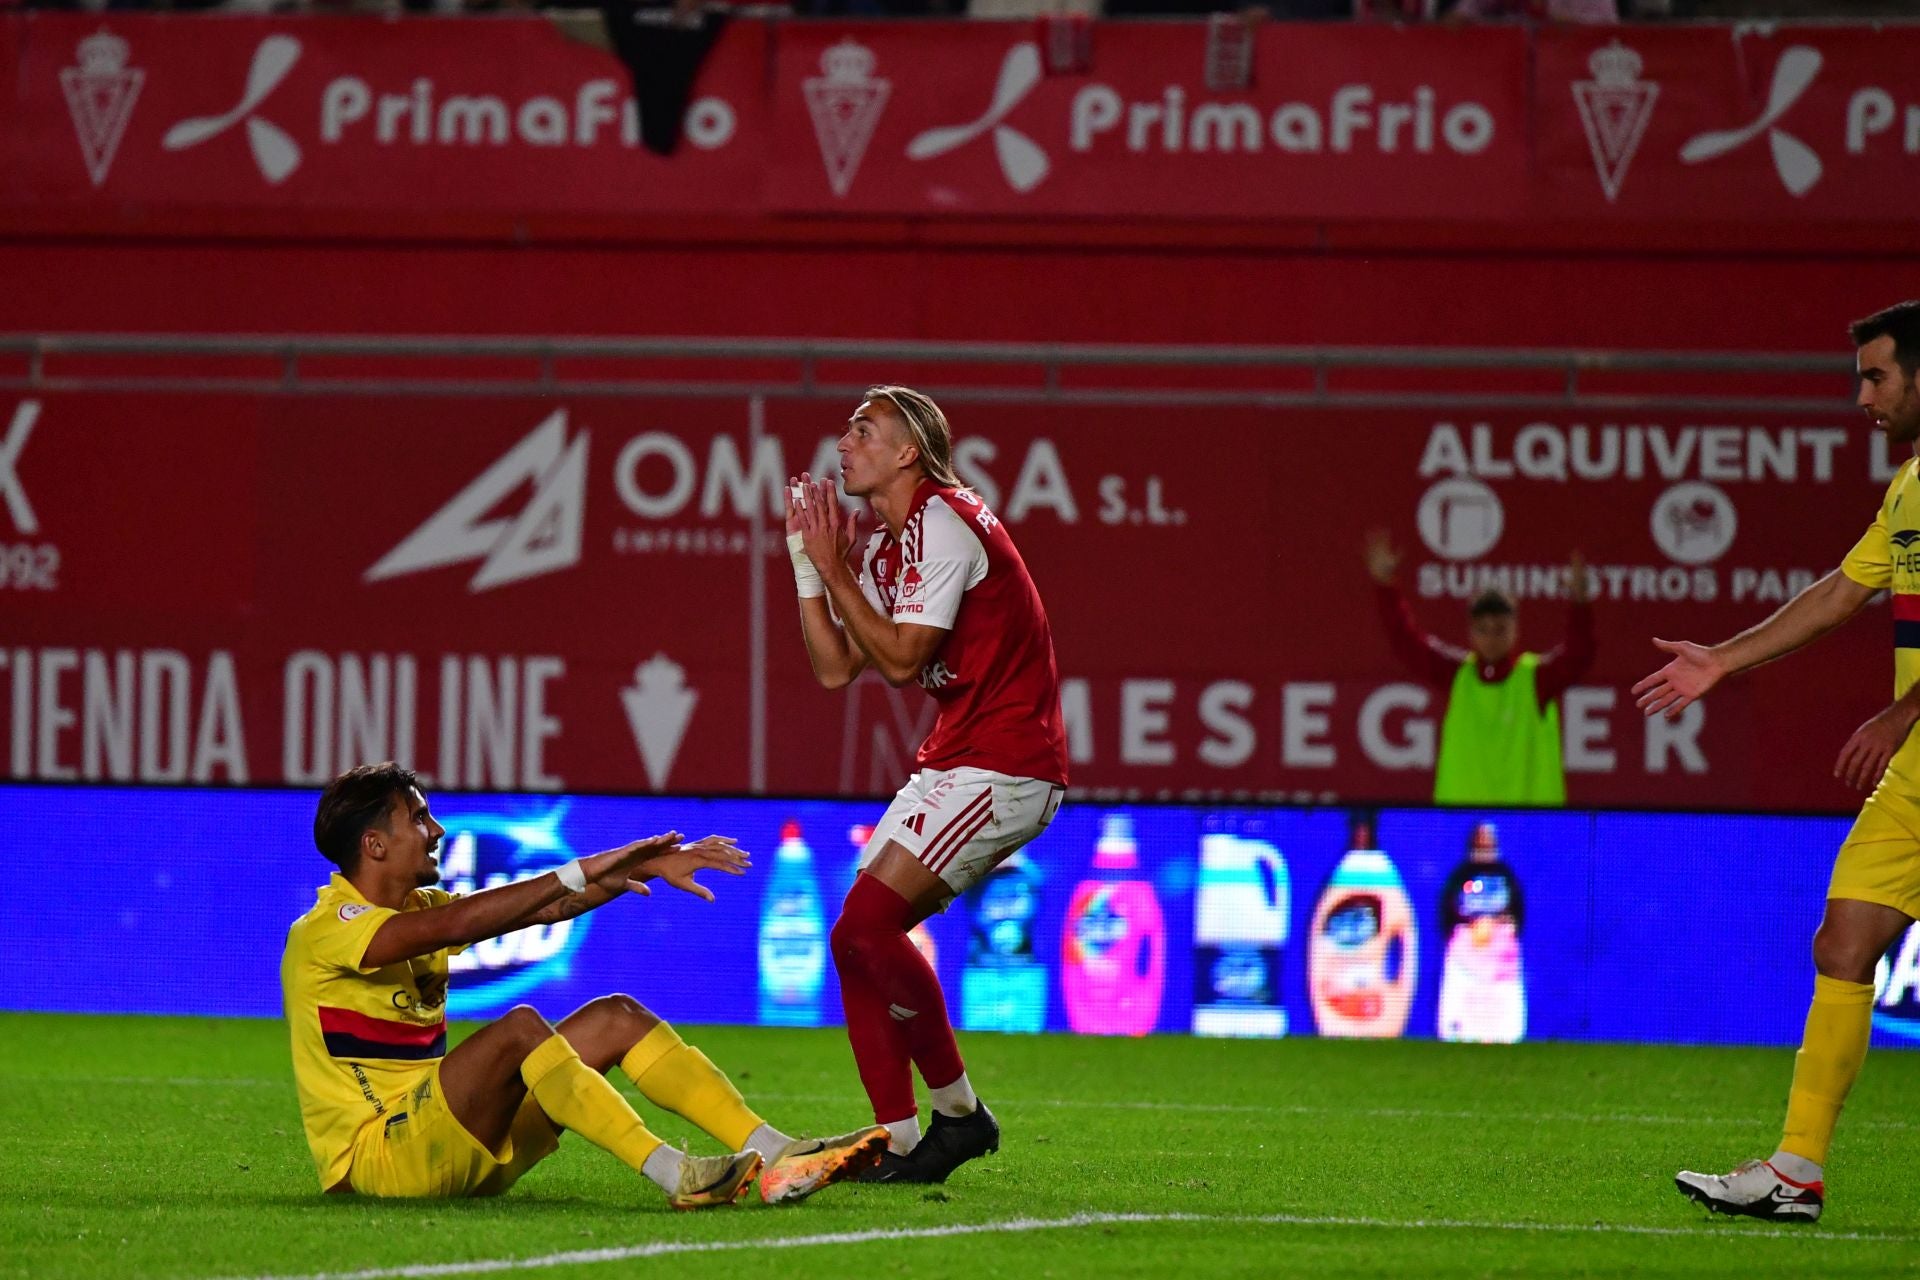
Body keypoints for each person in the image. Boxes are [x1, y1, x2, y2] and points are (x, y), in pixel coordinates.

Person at [282, 762, 887, 1205]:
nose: (436, 829)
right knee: (520, 1029)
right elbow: (464, 920)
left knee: (615, 1017)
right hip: (383, 1161)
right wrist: (582, 868)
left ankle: (778, 1153)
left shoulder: (418, 905)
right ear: (374, 844)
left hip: (456, 1139)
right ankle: (677, 1175)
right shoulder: (327, 928)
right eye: (419, 816)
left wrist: (638, 864)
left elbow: (537, 911)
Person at [1636, 300, 1920, 1223]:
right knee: (1843, 943)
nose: (1862, 397)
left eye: (1877, 377)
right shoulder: (1911, 488)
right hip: (1918, 771)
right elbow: (1841, 593)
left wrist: (1905, 707)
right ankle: (1796, 1171)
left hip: (1913, 733)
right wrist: (1722, 658)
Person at [785, 385, 1069, 1183]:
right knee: (851, 941)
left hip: (1007, 763)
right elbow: (839, 667)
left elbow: (905, 659)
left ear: (909, 451)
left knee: (871, 927)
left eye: (863, 429)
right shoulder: (886, 546)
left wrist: (836, 569)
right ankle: (899, 1141)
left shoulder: (944, 520)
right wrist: (814, 571)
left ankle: (959, 1115)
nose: (844, 442)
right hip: (956, 759)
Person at [1365, 533, 1595, 804]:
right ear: (1471, 633)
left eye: (1500, 629)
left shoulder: (1536, 679)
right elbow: (1407, 642)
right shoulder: (1457, 676)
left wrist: (1580, 604)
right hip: (1461, 825)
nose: (1491, 638)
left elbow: (1578, 656)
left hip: (1530, 826)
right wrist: (1386, 586)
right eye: (1482, 630)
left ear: (1515, 630)